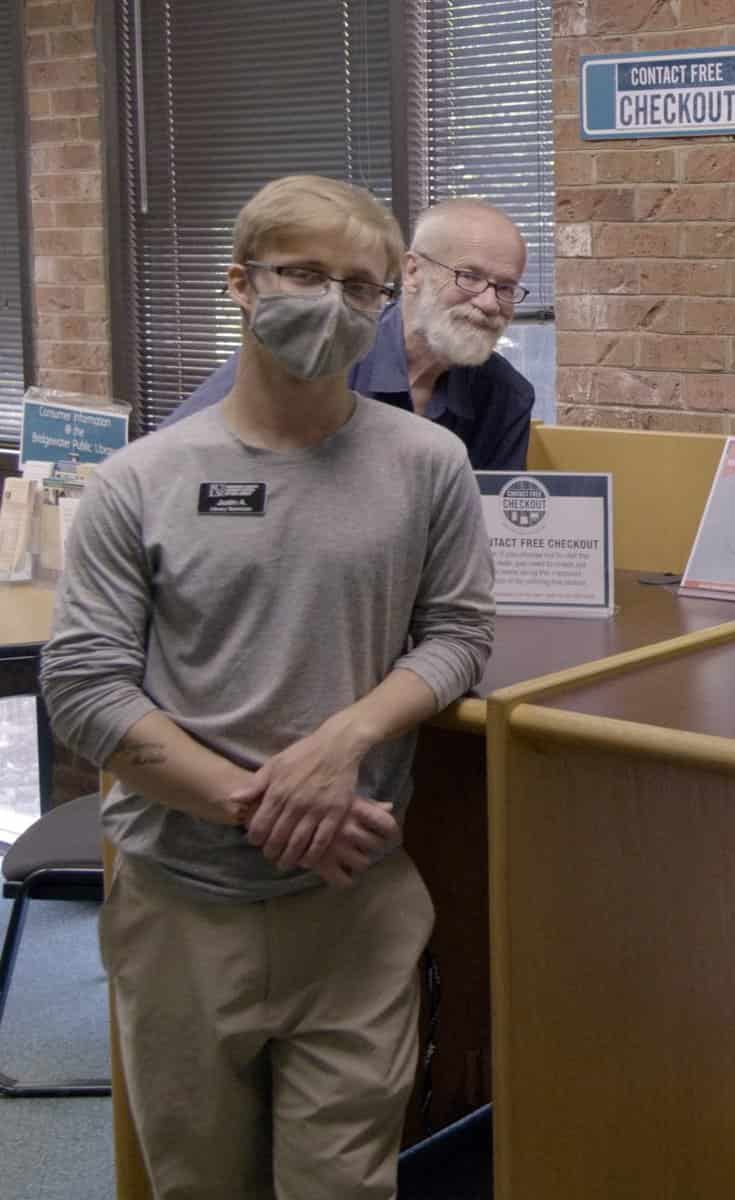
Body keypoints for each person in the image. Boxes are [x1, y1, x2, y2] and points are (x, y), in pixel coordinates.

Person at [41, 175, 496, 1198]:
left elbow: (460, 636)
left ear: (387, 303)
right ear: (240, 284)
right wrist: (262, 805)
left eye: (360, 286)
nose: (333, 303)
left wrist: (342, 746)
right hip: (179, 909)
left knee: (343, 1185)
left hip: (353, 906)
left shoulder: (431, 465)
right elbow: (85, 689)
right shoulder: (141, 480)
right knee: (199, 1183)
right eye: (302, 274)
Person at [162, 197, 536, 470]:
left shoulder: (505, 395)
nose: (489, 303)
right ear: (412, 271)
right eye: (468, 276)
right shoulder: (325, 346)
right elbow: (171, 459)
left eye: (505, 287)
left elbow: (496, 533)